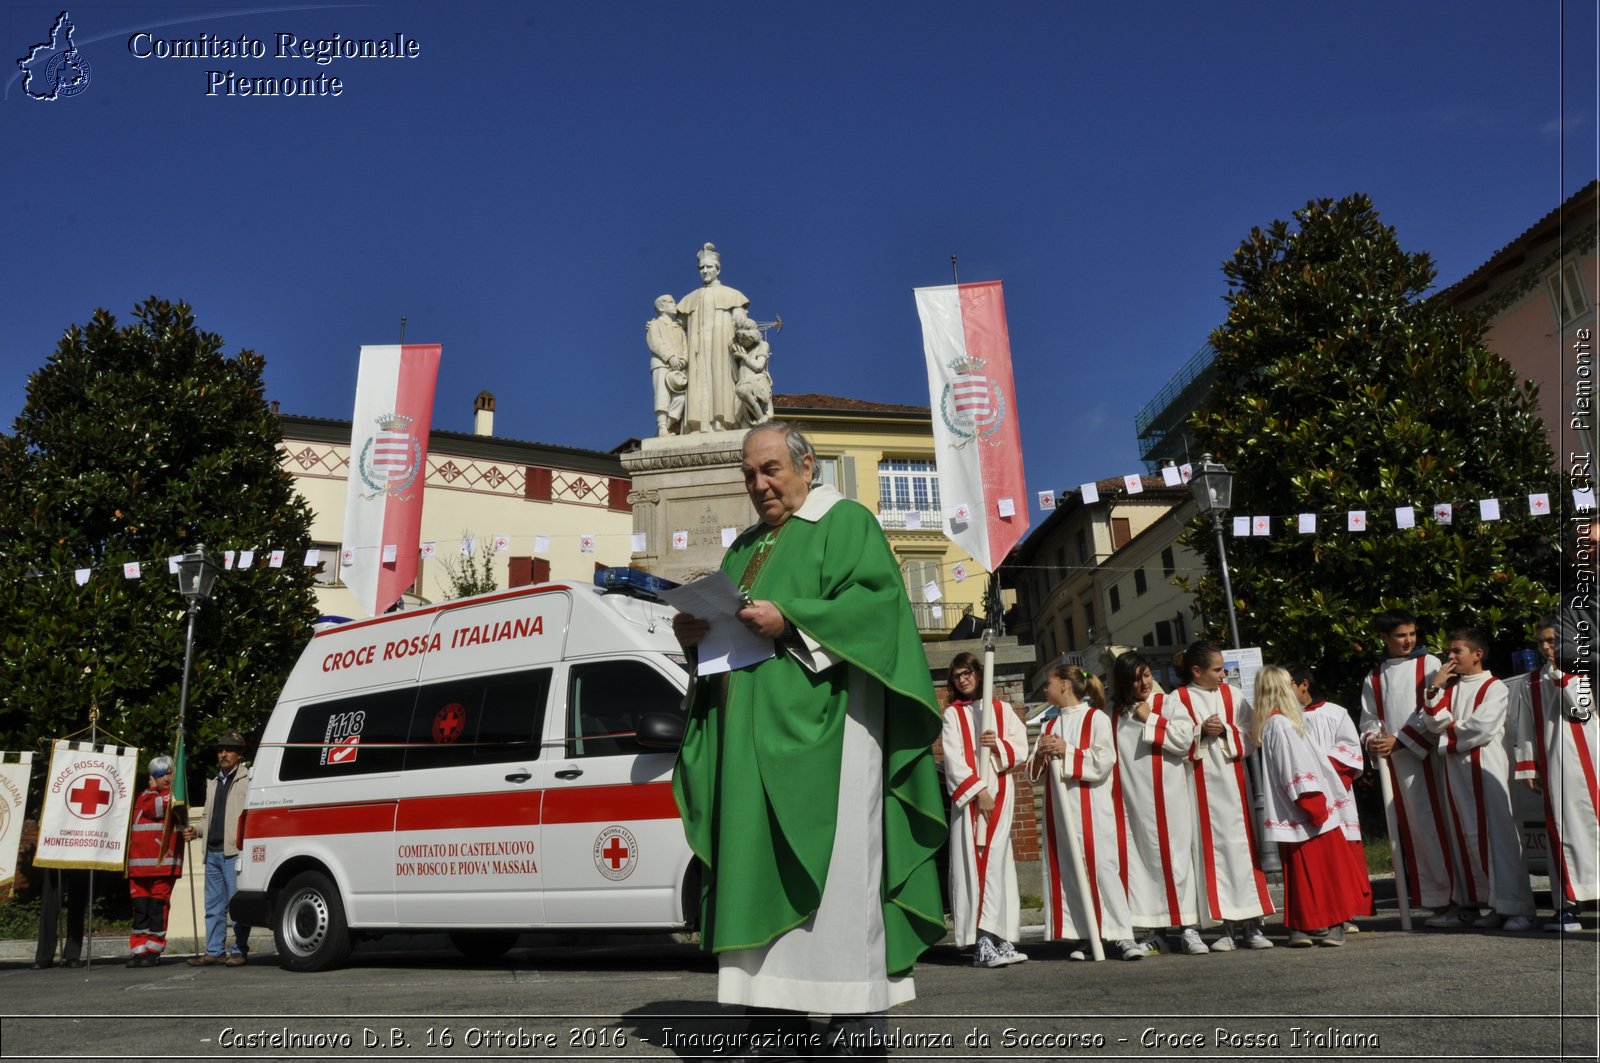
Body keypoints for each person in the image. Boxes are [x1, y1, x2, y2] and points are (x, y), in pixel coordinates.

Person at [671, 422, 945, 1057]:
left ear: (807, 465)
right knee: (755, 873)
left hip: (833, 738)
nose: (760, 484)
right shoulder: (742, 549)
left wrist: (791, 618)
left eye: (770, 469)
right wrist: (697, 640)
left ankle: (855, 1029)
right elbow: (728, 645)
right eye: (749, 474)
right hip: (749, 745)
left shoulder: (846, 522)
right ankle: (775, 1030)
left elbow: (878, 610)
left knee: (842, 875)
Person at [1419, 629, 1536, 930]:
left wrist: (1446, 727)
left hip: (1487, 771)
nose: (1450, 657)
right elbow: (1432, 722)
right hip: (1457, 773)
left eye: (1457, 651)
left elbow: (1480, 728)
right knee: (1467, 838)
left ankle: (1519, 908)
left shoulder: (1494, 687)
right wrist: (1434, 691)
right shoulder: (1449, 688)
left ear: (1477, 654)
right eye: (1450, 651)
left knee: (1501, 839)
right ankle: (1492, 905)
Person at [1030, 664, 1143, 961]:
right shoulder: (1048, 724)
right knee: (1069, 870)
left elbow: (1104, 761)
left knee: (1104, 869)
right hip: (1060, 809)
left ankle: (1121, 935)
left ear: (1065, 685)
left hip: (1092, 805)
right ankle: (1084, 934)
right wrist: (1041, 752)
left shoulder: (1096, 719)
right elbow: (1033, 773)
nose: (1045, 689)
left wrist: (1066, 749)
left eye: (1049, 683)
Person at [1170, 641, 1274, 950]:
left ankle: (1253, 924)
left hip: (1233, 786)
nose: (1224, 674)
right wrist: (1200, 730)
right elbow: (1173, 740)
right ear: (1196, 671)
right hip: (1198, 790)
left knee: (1243, 853)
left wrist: (1226, 730)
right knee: (1210, 858)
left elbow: (1252, 734)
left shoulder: (1233, 695)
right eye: (1218, 670)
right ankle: (1225, 928)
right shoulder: (1179, 699)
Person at [1252, 667, 1366, 947]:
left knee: (1302, 875)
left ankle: (1302, 926)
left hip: (1297, 811)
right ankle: (1333, 924)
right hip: (1308, 808)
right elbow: (1295, 767)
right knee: (1327, 872)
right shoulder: (1282, 724)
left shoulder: (1274, 722)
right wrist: (1313, 804)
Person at [1357, 609, 1457, 919]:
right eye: (1401, 635)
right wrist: (1373, 739)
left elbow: (1436, 705)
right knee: (1415, 829)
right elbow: (1370, 718)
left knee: (1441, 826)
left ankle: (1457, 899)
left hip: (1429, 759)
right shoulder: (1374, 676)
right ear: (1384, 638)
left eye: (1412, 633)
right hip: (1399, 765)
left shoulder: (1429, 664)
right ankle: (1436, 900)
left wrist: (1401, 739)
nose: (1409, 640)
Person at [1109, 651, 1203, 954]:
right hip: (1133, 803)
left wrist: (1150, 717)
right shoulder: (1114, 715)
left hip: (1171, 797)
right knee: (1144, 864)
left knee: (1178, 859)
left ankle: (1189, 928)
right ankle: (1155, 929)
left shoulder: (1169, 703)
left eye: (1147, 674)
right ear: (1124, 683)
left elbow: (1184, 741)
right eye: (1136, 679)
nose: (1144, 683)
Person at [940, 651, 1029, 968]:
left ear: (979, 673)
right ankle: (982, 941)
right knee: (975, 865)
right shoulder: (953, 715)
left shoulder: (1001, 710)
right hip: (973, 802)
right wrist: (979, 791)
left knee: (998, 865)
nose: (962, 680)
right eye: (957, 676)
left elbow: (1021, 747)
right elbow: (953, 759)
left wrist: (998, 745)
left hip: (1003, 795)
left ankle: (1000, 936)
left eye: (967, 673)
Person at [1514, 617, 1597, 931]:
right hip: (1554, 769)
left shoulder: (1585, 672)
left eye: (1552, 641)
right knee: (1558, 835)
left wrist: (1561, 677)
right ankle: (1566, 908)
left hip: (1591, 766)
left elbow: (1581, 711)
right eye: (1541, 643)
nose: (1546, 648)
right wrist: (1527, 765)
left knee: (1593, 831)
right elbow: (1524, 727)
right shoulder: (1529, 682)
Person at [1288, 663, 1372, 925]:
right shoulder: (1282, 720)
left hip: (1336, 795)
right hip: (1303, 796)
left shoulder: (1335, 713)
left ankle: (1347, 912)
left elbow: (1350, 750)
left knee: (1342, 852)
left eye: (1287, 684)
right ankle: (1324, 912)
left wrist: (1320, 774)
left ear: (1304, 684)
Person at [183, 730, 252, 966]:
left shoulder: (248, 780)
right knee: (213, 906)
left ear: (239, 754)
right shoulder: (213, 783)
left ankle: (239, 949)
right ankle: (214, 951)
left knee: (237, 906)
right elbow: (205, 818)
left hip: (234, 852)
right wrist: (197, 831)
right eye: (220, 750)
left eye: (228, 750)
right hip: (211, 852)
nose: (223, 754)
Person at [677, 242, 750, 433]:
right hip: (697, 349)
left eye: (709, 267)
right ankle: (696, 424)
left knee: (721, 378)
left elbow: (740, 320)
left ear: (718, 269)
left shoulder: (731, 295)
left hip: (722, 346)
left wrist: (742, 323)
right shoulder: (690, 298)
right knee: (697, 381)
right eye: (701, 268)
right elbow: (677, 328)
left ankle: (721, 422)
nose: (704, 271)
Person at [126, 755, 183, 967]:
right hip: (139, 866)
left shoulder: (175, 796)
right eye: (162, 775)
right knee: (140, 909)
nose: (167, 778)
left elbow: (162, 807)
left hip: (162, 864)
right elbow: (153, 807)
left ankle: (153, 950)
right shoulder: (144, 796)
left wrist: (171, 791)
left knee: (157, 909)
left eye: (170, 774)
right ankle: (138, 950)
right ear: (152, 777)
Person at [26, 818, 90, 969]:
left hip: (82, 839)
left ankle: (72, 954)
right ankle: (44, 955)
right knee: (50, 901)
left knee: (78, 901)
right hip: (56, 841)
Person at [647, 294, 688, 436]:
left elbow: (685, 347)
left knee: (682, 398)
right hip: (661, 364)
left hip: (678, 368)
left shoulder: (679, 329)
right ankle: (662, 426)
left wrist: (682, 360)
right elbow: (655, 343)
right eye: (671, 302)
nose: (674, 304)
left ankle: (667, 426)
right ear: (661, 307)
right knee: (662, 395)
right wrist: (670, 357)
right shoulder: (655, 324)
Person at [730, 310, 774, 429]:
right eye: (739, 338)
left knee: (741, 390)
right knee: (744, 427)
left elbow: (759, 366)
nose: (741, 341)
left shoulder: (762, 345)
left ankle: (761, 418)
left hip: (756, 383)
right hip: (743, 390)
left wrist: (744, 357)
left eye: (743, 338)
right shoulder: (743, 349)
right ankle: (761, 421)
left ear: (751, 336)